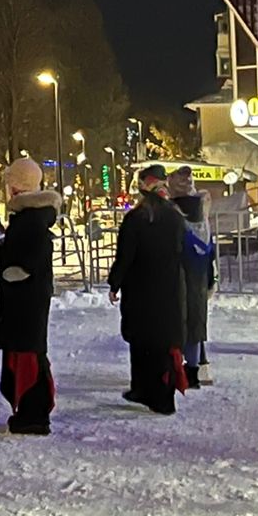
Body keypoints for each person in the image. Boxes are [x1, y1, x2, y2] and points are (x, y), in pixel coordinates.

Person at [108, 165, 189, 415]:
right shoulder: (175, 217)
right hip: (169, 289)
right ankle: (148, 391)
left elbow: (126, 255)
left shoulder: (137, 218)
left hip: (141, 290)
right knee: (161, 342)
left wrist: (115, 283)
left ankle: (153, 394)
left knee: (142, 342)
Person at [0, 157, 60, 435]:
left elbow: (32, 256)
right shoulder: (31, 215)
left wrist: (12, 273)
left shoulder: (29, 219)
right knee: (27, 352)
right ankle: (31, 411)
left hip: (24, 301)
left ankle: (33, 414)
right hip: (27, 299)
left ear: (16, 186)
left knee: (27, 354)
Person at [168, 166, 215, 389]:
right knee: (196, 325)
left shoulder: (173, 214)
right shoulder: (201, 215)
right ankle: (195, 371)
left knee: (176, 323)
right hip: (199, 276)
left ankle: (177, 371)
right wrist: (211, 278)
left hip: (177, 276)